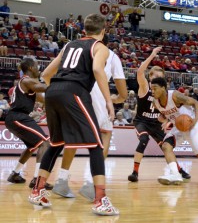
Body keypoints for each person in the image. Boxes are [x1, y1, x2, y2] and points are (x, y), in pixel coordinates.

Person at [28, 14, 119, 216]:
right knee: (96, 144)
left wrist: (57, 91)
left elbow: (46, 74)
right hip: (75, 91)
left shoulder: (69, 45)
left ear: (85, 29)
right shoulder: (100, 47)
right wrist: (108, 100)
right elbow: (97, 69)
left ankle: (38, 190)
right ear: (103, 31)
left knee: (56, 143)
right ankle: (100, 199)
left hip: (53, 91)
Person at [51, 34, 127, 200]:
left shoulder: (75, 47)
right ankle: (91, 184)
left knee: (72, 136)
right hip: (97, 95)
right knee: (105, 134)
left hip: (73, 93)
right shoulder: (110, 55)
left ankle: (62, 180)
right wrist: (116, 99)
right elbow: (123, 93)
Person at [127, 47, 191, 184]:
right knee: (143, 139)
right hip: (142, 121)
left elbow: (169, 109)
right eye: (155, 77)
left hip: (156, 123)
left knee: (166, 147)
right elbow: (139, 72)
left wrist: (167, 120)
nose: (157, 80)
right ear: (150, 77)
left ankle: (179, 170)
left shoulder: (163, 93)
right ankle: (135, 172)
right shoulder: (145, 87)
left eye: (160, 78)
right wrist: (152, 55)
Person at [5, 58, 52, 189]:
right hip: (18, 117)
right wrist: (59, 82)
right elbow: (43, 88)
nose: (39, 69)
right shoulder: (27, 80)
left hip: (15, 117)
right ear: (31, 68)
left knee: (32, 146)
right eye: (37, 66)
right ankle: (37, 179)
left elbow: (43, 98)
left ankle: (15, 174)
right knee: (44, 143)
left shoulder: (26, 84)